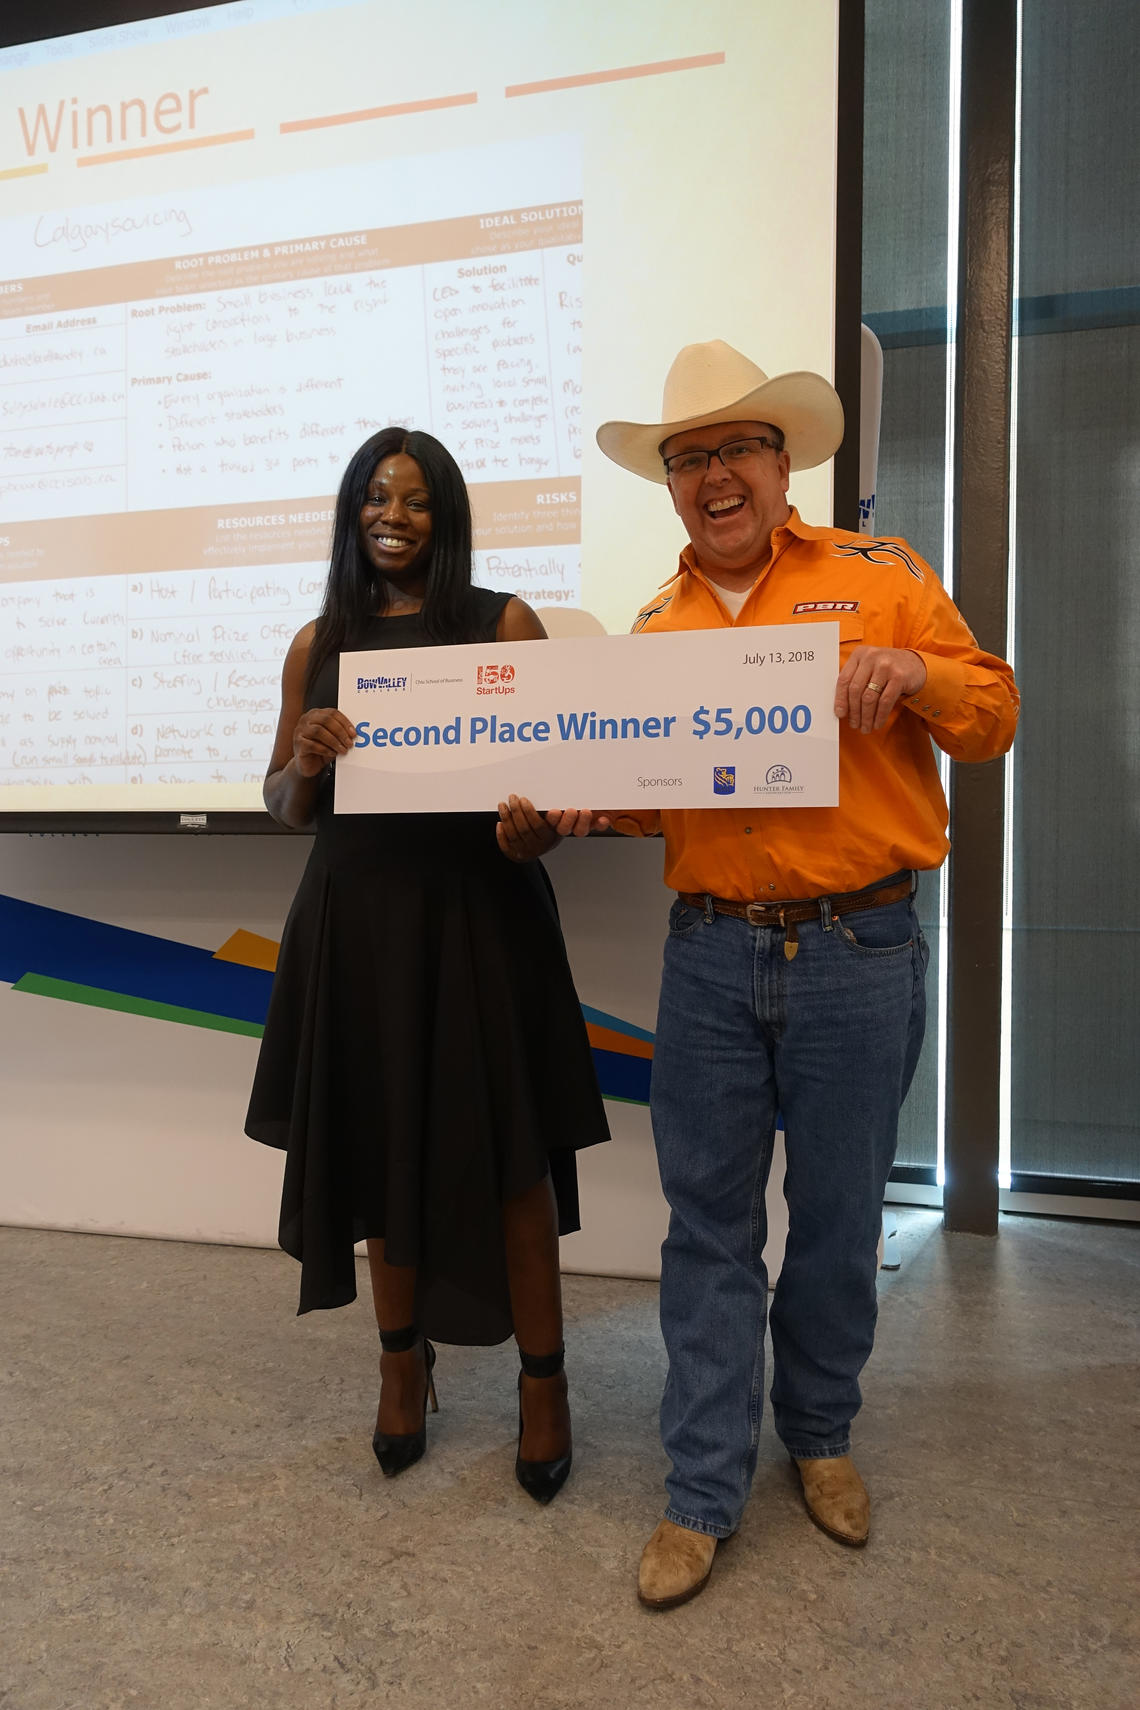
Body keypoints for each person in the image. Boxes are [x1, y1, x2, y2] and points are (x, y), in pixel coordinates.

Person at [592, 340, 1019, 1605]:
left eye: (738, 449)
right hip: (710, 957)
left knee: (837, 1223)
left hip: (859, 948)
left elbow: (992, 712)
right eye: (688, 458)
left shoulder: (880, 577)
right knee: (707, 1231)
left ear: (785, 465)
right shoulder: (652, 628)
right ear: (669, 486)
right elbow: (642, 802)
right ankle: (702, 1489)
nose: (714, 475)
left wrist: (920, 672)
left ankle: (821, 1437)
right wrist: (557, 804)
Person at [245, 426, 609, 1504]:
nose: (390, 518)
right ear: (351, 511)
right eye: (373, 498)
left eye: (413, 502)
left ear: (445, 518)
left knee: (513, 1168)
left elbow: (554, 793)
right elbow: (279, 803)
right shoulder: (319, 642)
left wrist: (533, 828)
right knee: (379, 1155)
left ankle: (546, 1389)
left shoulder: (503, 625)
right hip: (357, 927)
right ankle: (401, 1368)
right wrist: (305, 761)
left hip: (482, 921)